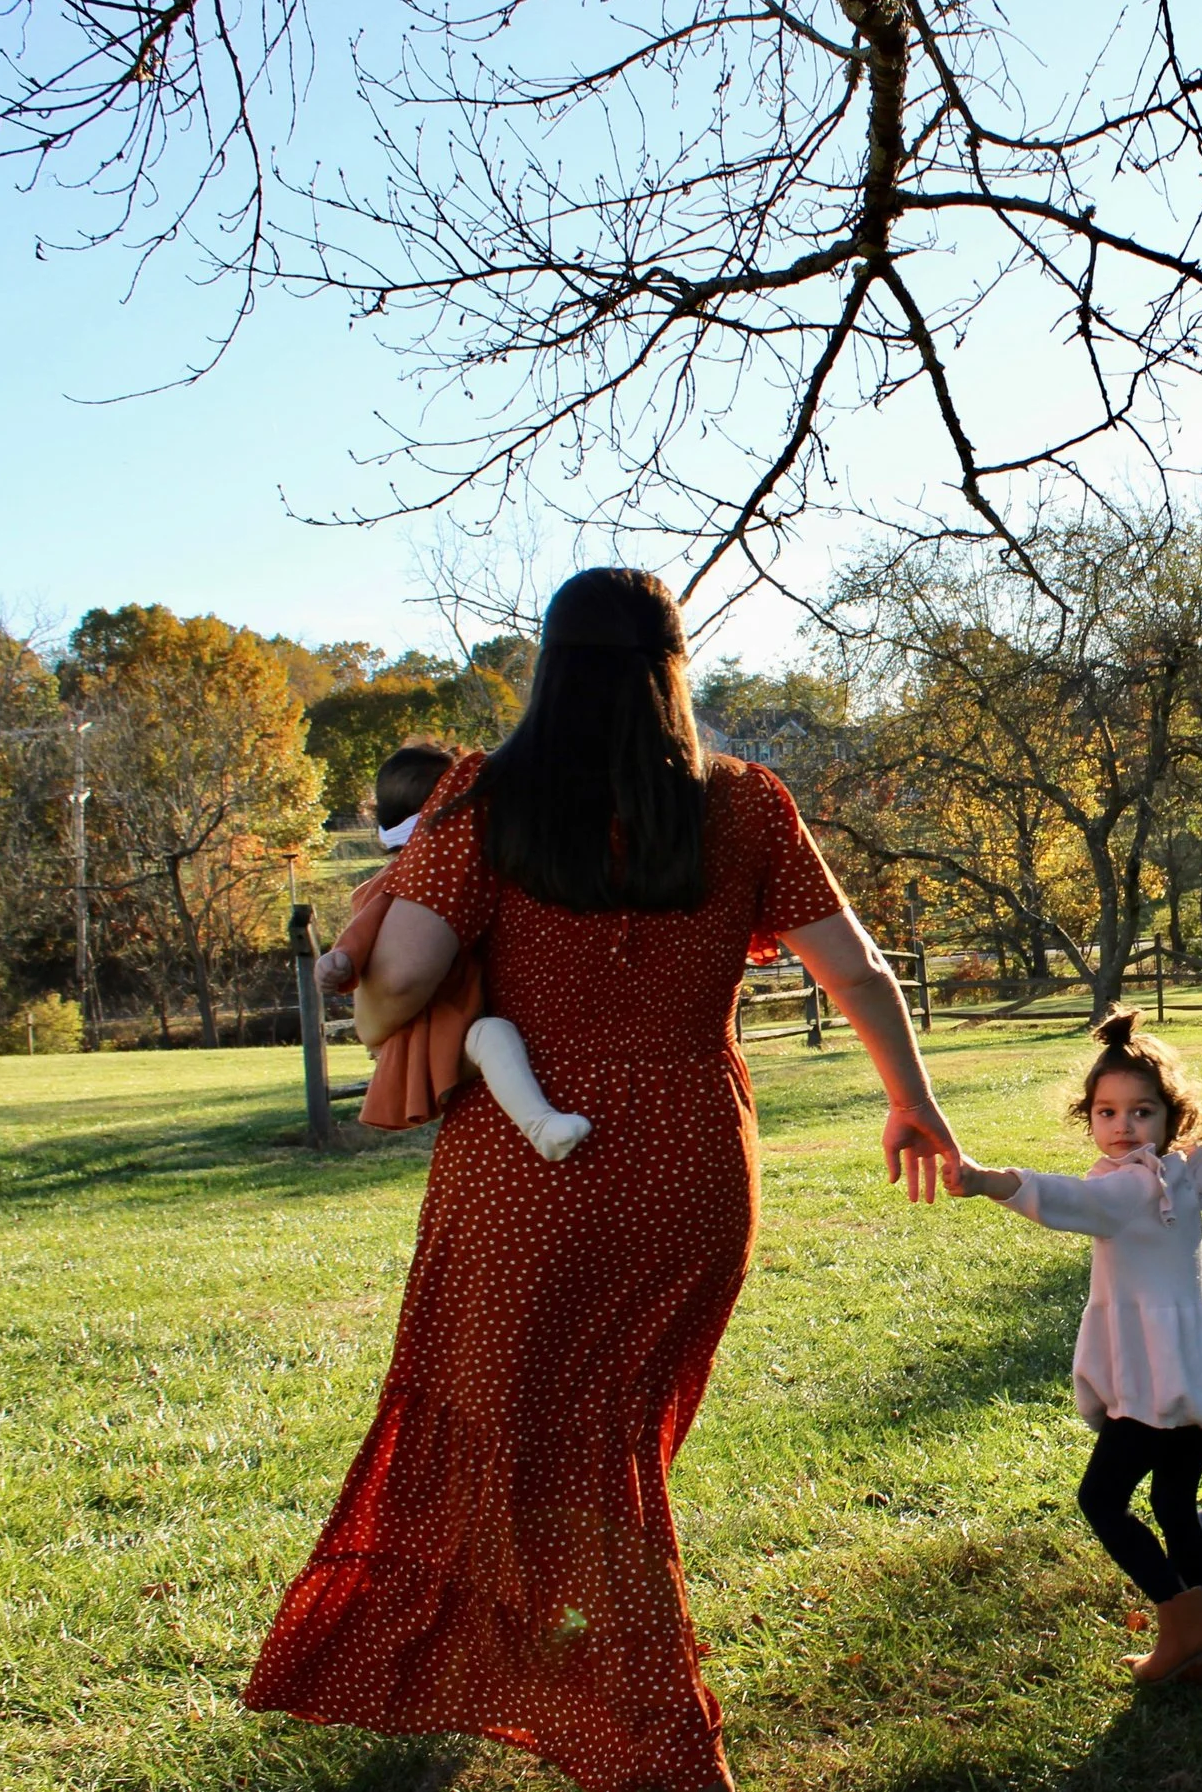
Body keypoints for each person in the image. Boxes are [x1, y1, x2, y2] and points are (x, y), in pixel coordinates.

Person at [243, 568, 964, 1792]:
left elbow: (404, 981)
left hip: (533, 1166)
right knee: (612, 1436)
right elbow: (862, 972)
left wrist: (370, 985)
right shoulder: (744, 806)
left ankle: (647, 1728)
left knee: (550, 1439)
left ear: (549, 667)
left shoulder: (487, 801)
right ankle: (537, 1670)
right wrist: (912, 1100)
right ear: (673, 667)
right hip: (692, 1157)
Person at [946, 1008, 1202, 1685]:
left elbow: (1063, 1200)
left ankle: (1182, 1618)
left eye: (1141, 1112)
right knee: (1175, 1501)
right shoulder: (1186, 1172)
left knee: (1103, 1500)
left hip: (1150, 1377)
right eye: (1107, 1112)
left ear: (1171, 1117)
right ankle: (1200, 1637)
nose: (1122, 1127)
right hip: (1194, 1366)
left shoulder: (1123, 1187)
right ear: (1089, 1117)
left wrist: (989, 1179)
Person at [318, 743, 591, 1160]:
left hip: (450, 1012)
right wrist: (341, 959)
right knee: (491, 1037)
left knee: (490, 1036)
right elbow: (369, 938)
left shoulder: (441, 869)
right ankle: (541, 1125)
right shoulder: (408, 876)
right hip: (439, 1021)